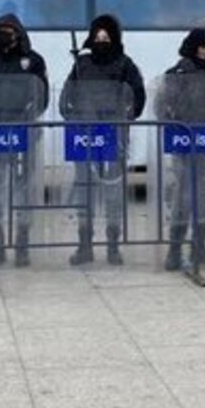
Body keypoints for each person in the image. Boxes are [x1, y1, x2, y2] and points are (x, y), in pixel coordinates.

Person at [60, 14, 145, 266]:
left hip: (113, 133)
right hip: (85, 134)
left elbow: (137, 96)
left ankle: (112, 246)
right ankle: (84, 245)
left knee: (113, 191)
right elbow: (67, 96)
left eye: (106, 37)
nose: (101, 40)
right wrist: (72, 119)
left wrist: (126, 120)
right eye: (97, 37)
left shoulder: (125, 64)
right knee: (85, 189)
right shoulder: (81, 64)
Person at [0, 14, 47, 268]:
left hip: (23, 131)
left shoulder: (33, 61)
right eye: (1, 29)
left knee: (23, 188)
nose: (6, 33)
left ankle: (22, 244)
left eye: (10, 29)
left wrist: (26, 119)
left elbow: (42, 97)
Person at [159, 28, 205, 271]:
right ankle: (174, 250)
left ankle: (199, 245)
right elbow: (162, 106)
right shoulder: (178, 73)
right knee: (185, 197)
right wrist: (175, 127)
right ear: (198, 47)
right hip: (187, 144)